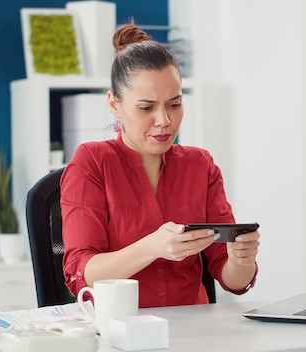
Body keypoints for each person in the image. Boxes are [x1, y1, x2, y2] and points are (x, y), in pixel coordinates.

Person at [60, 20, 260, 308]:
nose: (165, 121)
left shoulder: (199, 165)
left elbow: (232, 279)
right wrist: (152, 247)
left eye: (175, 104)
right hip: (120, 330)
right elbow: (83, 274)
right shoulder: (91, 162)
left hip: (193, 331)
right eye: (146, 107)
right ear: (115, 105)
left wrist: (242, 260)